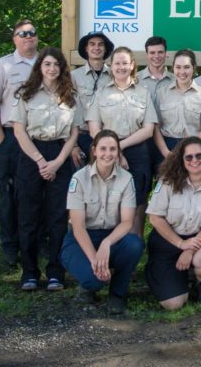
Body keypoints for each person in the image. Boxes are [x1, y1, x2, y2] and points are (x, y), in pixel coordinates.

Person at [12, 47, 83, 291]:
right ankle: (29, 273)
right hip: (31, 156)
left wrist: (57, 162)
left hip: (60, 156)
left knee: (58, 218)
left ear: (62, 68)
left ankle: (56, 273)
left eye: (56, 65)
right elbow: (19, 131)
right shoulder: (26, 94)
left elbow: (74, 133)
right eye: (47, 64)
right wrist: (41, 162)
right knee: (28, 218)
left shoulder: (71, 95)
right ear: (39, 67)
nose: (52, 69)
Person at [60, 129, 145, 314]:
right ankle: (88, 287)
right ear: (94, 150)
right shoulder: (79, 178)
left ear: (118, 152)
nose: (108, 154)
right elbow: (78, 227)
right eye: (103, 149)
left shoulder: (126, 179)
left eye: (113, 149)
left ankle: (118, 294)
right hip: (81, 239)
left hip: (111, 237)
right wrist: (95, 260)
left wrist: (107, 243)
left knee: (134, 245)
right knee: (94, 278)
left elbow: (127, 222)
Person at [145, 137, 201, 310]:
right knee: (173, 305)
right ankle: (164, 273)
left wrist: (189, 249)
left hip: (199, 240)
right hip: (168, 240)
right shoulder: (166, 182)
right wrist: (180, 244)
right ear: (181, 160)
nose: (194, 160)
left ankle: (200, 283)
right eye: (188, 157)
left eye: (199, 155)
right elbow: (155, 218)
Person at [0, 19, 39, 266]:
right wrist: (1, 141)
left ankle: (40, 243)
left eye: (32, 33)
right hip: (12, 138)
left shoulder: (48, 63)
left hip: (42, 137)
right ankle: (9, 246)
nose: (28, 36)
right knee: (9, 194)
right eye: (22, 33)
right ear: (14, 39)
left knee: (39, 193)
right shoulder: (2, 66)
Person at [87, 46, 159, 238]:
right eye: (117, 63)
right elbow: (94, 128)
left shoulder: (143, 93)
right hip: (105, 153)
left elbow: (148, 129)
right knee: (108, 199)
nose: (121, 67)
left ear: (132, 65)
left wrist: (121, 147)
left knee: (137, 200)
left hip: (136, 150)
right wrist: (114, 152)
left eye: (125, 63)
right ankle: (109, 245)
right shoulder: (101, 93)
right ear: (110, 66)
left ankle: (134, 246)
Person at [153, 49, 201, 159]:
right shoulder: (161, 94)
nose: (182, 72)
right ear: (173, 68)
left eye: (186, 67)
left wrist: (191, 150)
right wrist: (165, 152)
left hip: (195, 148)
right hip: (167, 147)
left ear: (194, 68)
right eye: (178, 67)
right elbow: (155, 127)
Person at [70, 31, 114, 165]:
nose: (96, 48)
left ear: (105, 49)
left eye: (101, 45)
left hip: (108, 137)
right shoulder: (74, 76)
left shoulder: (114, 75)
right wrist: (73, 145)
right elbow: (67, 111)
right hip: (82, 136)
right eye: (92, 44)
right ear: (86, 48)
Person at [138, 36, 175, 190]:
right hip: (141, 141)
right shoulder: (135, 79)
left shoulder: (175, 80)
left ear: (166, 54)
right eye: (152, 53)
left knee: (167, 188)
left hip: (167, 141)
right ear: (147, 55)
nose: (156, 56)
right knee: (141, 190)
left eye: (160, 52)